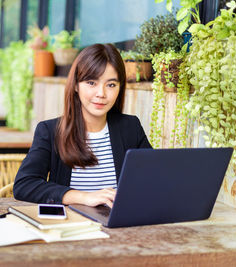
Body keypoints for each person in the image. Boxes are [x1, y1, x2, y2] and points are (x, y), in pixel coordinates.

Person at [13, 43, 152, 208]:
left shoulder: (130, 127)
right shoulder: (50, 131)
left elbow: (153, 178)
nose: (101, 93)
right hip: (71, 227)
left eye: (111, 85)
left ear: (120, 89)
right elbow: (24, 184)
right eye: (91, 83)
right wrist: (83, 197)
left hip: (118, 226)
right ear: (76, 85)